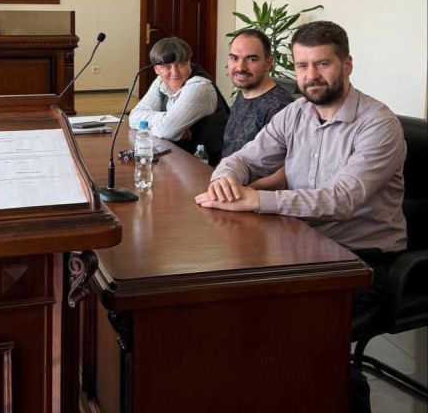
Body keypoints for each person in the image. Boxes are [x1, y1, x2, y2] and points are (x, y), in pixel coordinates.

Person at [196, 21, 407, 320]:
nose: (311, 75)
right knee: (220, 286)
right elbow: (246, 159)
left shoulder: (378, 124)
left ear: (347, 65)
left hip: (360, 257)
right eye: (302, 65)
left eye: (323, 64)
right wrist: (224, 178)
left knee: (273, 315)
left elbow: (342, 200)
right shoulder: (296, 112)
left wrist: (256, 199)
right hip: (300, 240)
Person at [129, 36, 229, 165]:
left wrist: (167, 125)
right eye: (167, 66)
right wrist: (167, 120)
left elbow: (165, 130)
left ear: (189, 62)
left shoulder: (199, 86)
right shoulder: (160, 81)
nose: (175, 72)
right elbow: (134, 117)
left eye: (181, 64)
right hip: (179, 160)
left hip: (209, 167)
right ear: (156, 69)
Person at [223, 28, 293, 159]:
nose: (240, 67)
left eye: (251, 59)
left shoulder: (280, 108)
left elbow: (283, 168)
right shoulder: (244, 93)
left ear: (268, 63)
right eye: (234, 58)